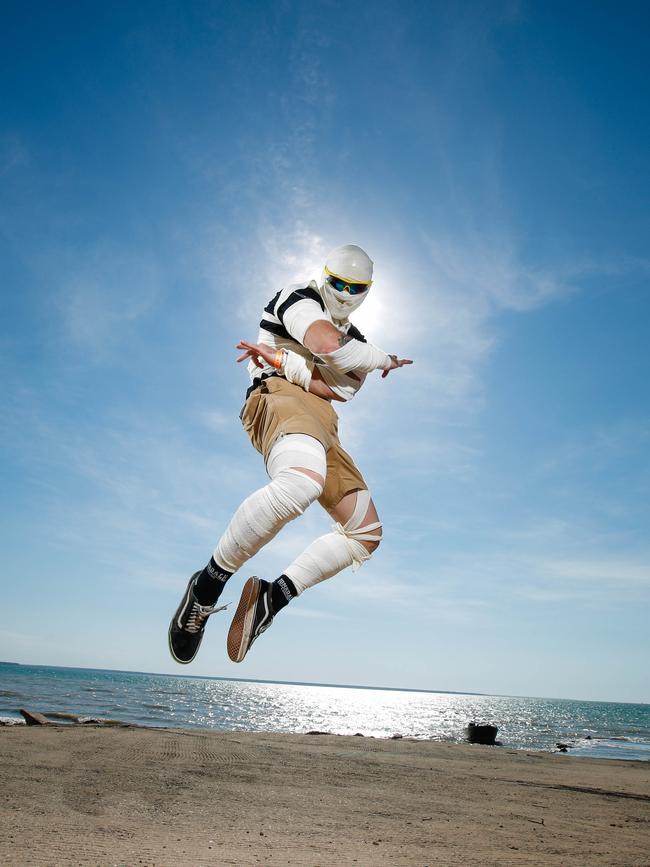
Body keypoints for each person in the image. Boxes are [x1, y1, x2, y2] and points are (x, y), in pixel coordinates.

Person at [168, 244, 412, 665]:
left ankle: (269, 599)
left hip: (324, 422)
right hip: (276, 397)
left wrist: (287, 359)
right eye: (337, 282)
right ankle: (206, 587)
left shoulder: (357, 339)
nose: (343, 292)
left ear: (367, 291)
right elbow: (331, 348)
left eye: (354, 287)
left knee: (366, 533)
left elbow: (342, 390)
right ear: (324, 275)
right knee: (300, 483)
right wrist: (382, 359)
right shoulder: (298, 298)